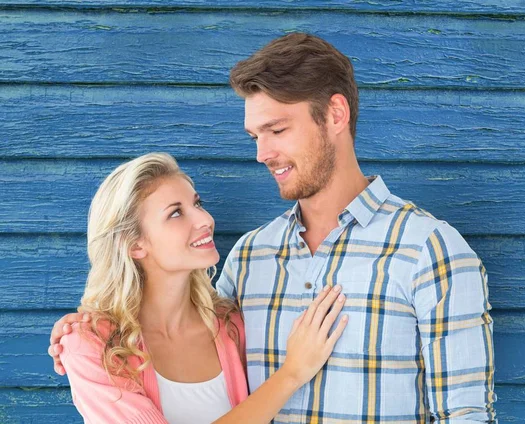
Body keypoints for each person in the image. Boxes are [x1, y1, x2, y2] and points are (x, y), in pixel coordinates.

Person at [50, 33, 497, 422]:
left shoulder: (428, 250)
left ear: (335, 115)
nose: (262, 153)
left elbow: (466, 415)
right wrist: (89, 328)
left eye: (277, 130)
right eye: (254, 137)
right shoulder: (248, 258)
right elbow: (183, 325)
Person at [52, 152, 348, 423]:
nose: (205, 220)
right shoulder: (92, 346)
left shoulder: (229, 326)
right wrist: (292, 373)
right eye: (176, 213)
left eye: (197, 204)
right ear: (134, 245)